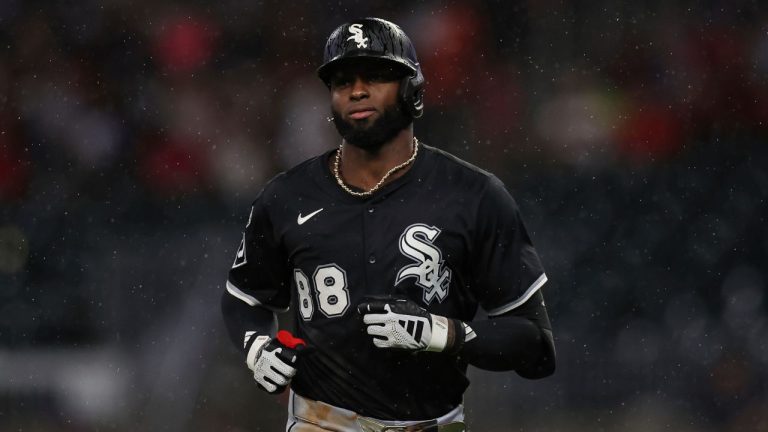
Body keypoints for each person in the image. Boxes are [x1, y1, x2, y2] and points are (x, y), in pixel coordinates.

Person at [221, 17, 555, 432]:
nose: (357, 90)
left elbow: (536, 347)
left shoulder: (474, 195)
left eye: (377, 75)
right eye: (342, 80)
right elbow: (245, 298)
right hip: (321, 421)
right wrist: (257, 346)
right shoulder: (286, 197)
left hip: (431, 423)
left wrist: (443, 333)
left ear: (412, 89)